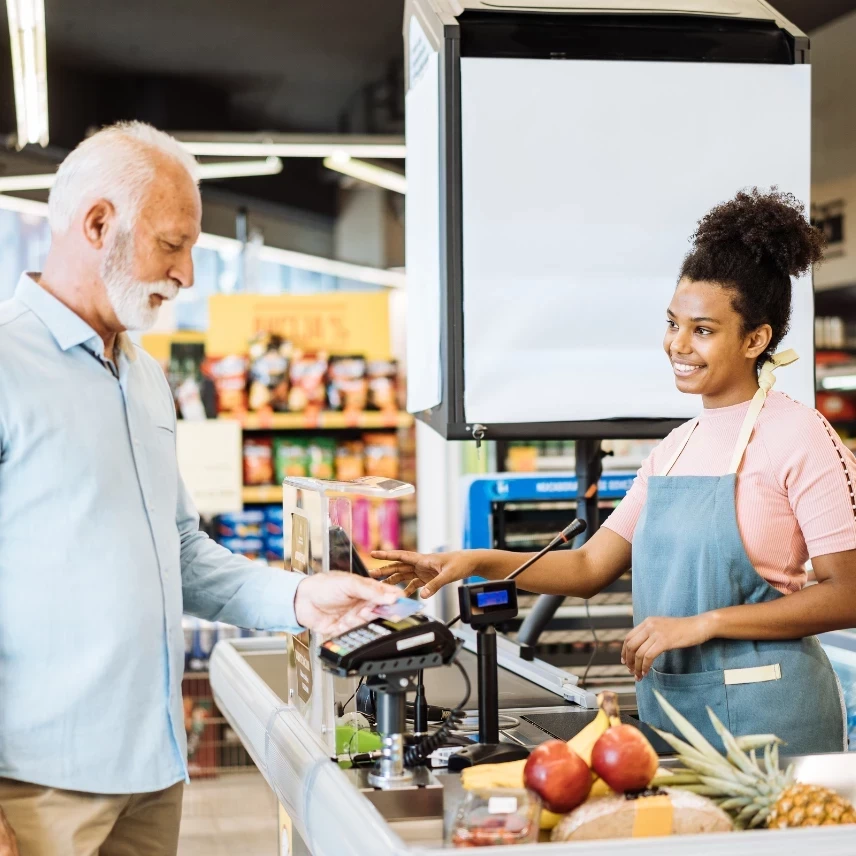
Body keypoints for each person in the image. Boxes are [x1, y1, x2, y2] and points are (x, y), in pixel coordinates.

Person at [0, 122, 399, 856]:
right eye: (172, 244)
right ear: (97, 224)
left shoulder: (145, 376)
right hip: (36, 789)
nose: (187, 273)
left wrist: (299, 599)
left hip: (153, 772)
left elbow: (179, 550)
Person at [373, 188, 856, 756]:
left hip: (772, 726)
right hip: (675, 715)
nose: (678, 344)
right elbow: (588, 565)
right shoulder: (675, 449)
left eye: (703, 330)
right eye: (673, 323)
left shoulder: (800, 435)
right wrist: (473, 562)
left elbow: (847, 594)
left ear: (756, 339)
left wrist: (705, 623)